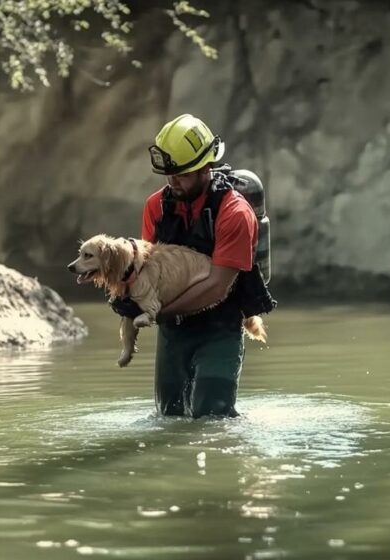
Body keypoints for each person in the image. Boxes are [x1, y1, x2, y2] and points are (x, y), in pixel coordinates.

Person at [109, 113, 274, 418]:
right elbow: (150, 270)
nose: (173, 182)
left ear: (205, 168)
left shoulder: (235, 213)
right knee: (168, 417)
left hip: (220, 326)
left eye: (182, 175)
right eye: (169, 175)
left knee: (213, 415)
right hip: (174, 329)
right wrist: (128, 297)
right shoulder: (155, 206)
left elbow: (216, 286)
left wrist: (156, 311)